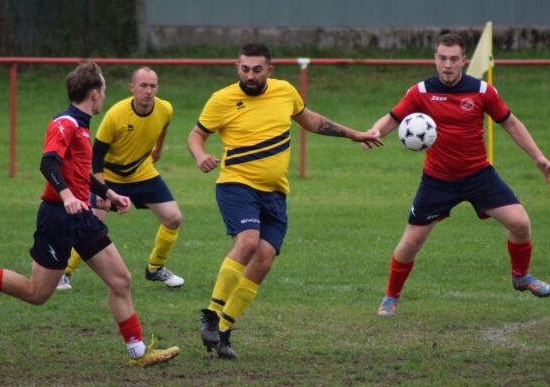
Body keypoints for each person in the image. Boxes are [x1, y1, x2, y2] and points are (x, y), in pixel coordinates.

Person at [0, 62, 180, 367]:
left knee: (120, 280)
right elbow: (48, 163)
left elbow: (80, 173)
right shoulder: (65, 123)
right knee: (36, 293)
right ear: (94, 94)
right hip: (57, 217)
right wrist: (66, 196)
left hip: (82, 218)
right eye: (103, 90)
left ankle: (138, 353)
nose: (104, 96)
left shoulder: (81, 126)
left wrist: (109, 194)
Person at [187, 43, 382, 359]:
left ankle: (224, 332)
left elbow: (312, 120)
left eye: (257, 69)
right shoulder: (221, 99)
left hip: (275, 193)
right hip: (236, 185)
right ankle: (211, 313)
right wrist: (200, 155)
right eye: (245, 69)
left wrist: (353, 134)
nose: (250, 75)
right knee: (248, 241)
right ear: (237, 67)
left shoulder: (284, 92)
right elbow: (196, 135)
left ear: (269, 70)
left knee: (263, 260)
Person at [366, 33, 550, 317]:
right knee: (411, 242)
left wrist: (539, 158)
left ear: (464, 61)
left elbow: (510, 123)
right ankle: (391, 296)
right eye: (442, 58)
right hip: (438, 180)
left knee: (521, 224)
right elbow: (392, 118)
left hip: (478, 176)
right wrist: (376, 131)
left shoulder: (482, 91)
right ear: (434, 59)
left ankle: (520, 276)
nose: (448, 65)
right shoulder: (421, 92)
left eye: (454, 59)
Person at [57, 67, 184, 291]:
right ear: (132, 88)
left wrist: (158, 151)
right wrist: (101, 189)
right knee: (92, 223)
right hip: (110, 175)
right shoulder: (116, 114)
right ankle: (64, 273)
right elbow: (96, 155)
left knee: (174, 218)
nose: (148, 91)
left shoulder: (165, 109)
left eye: (153, 86)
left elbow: (163, 126)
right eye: (143, 86)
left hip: (142, 172)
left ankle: (155, 268)